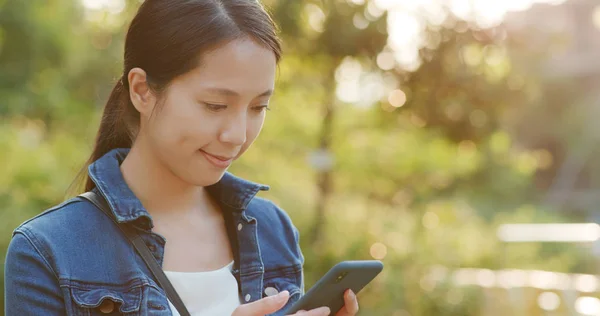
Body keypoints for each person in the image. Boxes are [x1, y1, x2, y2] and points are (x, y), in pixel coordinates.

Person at [3, 0, 360, 315]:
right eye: (215, 106)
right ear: (142, 90)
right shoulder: (49, 250)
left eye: (258, 107)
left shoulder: (272, 230)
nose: (237, 135)